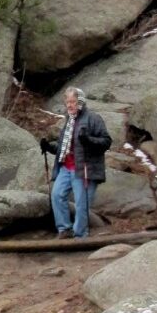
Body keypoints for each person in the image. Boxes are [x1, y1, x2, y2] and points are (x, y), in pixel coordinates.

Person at [40, 87, 112, 238]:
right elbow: (63, 148)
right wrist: (48, 147)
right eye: (67, 102)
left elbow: (106, 142)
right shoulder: (69, 121)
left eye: (73, 101)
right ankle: (64, 229)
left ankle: (80, 235)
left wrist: (88, 140)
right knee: (57, 195)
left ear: (80, 101)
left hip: (84, 169)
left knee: (81, 204)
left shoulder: (93, 118)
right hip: (66, 168)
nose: (69, 105)